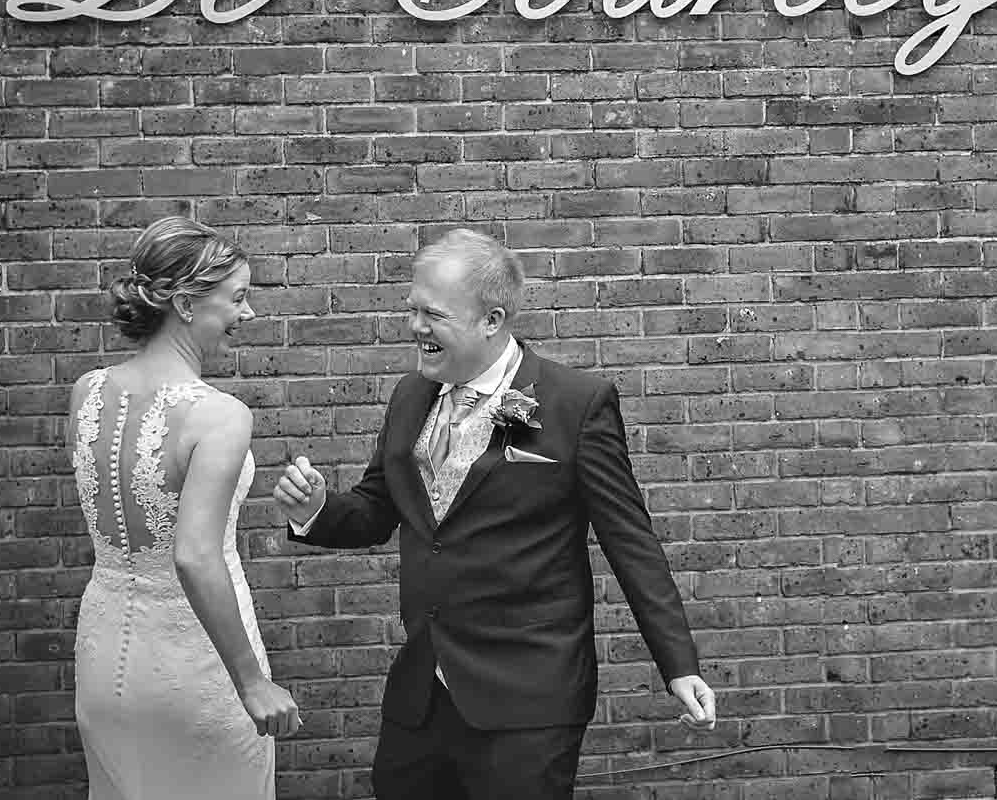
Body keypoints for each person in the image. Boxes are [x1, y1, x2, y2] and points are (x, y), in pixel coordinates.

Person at [274, 227, 716, 799]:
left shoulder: (575, 404)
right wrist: (317, 510)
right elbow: (379, 510)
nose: (415, 327)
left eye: (433, 315)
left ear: (492, 320)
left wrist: (678, 664)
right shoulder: (411, 396)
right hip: (420, 697)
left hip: (528, 698)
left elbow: (631, 542)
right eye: (413, 310)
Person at [66, 216, 300, 799]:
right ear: (188, 303)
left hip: (104, 660)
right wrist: (251, 681)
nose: (247, 314)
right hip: (198, 667)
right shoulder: (218, 415)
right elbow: (194, 555)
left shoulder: (88, 390)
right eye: (238, 298)